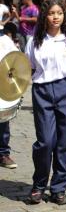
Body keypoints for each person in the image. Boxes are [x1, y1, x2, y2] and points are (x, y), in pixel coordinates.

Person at [25, 0, 66, 205]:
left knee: (64, 142)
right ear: (44, 16)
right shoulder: (35, 41)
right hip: (42, 91)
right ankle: (39, 184)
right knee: (45, 142)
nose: (56, 17)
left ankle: (59, 188)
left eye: (59, 13)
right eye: (52, 13)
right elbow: (30, 66)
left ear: (64, 16)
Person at [0, 28, 20, 169]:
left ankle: (2, 153)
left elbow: (17, 59)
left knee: (2, 120)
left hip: (2, 85)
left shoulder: (5, 40)